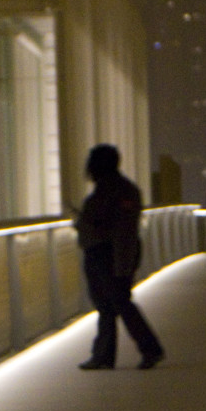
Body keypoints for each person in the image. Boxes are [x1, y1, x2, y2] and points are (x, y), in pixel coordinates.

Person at [74, 143, 164, 371]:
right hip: (112, 253)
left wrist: (121, 262)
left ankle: (148, 348)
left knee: (117, 304)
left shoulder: (111, 191)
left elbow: (119, 228)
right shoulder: (123, 189)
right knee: (110, 304)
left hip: (107, 254)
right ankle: (105, 354)